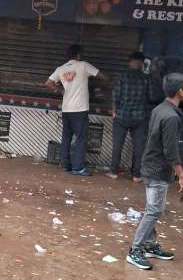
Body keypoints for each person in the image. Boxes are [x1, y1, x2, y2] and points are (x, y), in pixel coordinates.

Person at [126, 73, 183, 271]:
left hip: (150, 165)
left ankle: (150, 245)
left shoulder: (160, 109)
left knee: (152, 207)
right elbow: (170, 151)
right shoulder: (171, 117)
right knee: (154, 210)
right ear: (179, 91)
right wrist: (182, 176)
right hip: (157, 169)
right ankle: (135, 250)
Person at [45, 45, 101, 177]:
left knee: (66, 137)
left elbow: (48, 83)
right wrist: (110, 80)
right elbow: (101, 75)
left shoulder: (61, 69)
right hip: (80, 109)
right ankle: (78, 168)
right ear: (78, 55)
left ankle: (65, 165)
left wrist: (60, 90)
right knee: (81, 138)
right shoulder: (83, 65)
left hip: (66, 109)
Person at [108, 51, 149, 182]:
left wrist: (114, 111)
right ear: (141, 63)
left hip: (121, 116)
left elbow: (115, 95)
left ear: (130, 62)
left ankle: (113, 172)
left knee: (117, 144)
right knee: (138, 147)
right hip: (139, 117)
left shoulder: (122, 76)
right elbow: (151, 97)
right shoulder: (146, 78)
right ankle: (136, 175)